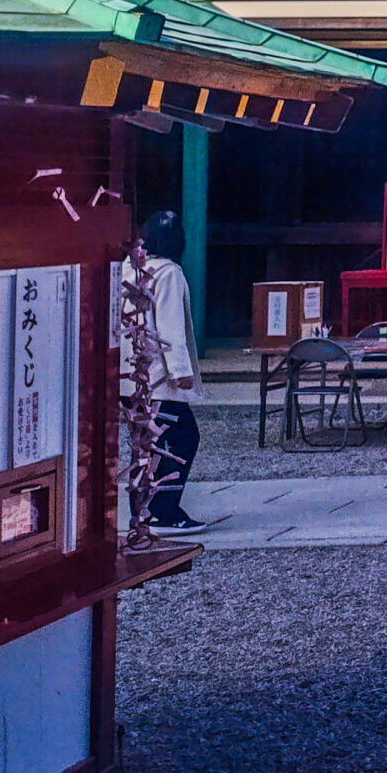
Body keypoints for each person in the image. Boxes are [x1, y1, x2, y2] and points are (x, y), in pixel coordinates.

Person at [127, 211, 207, 532]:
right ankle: (164, 510)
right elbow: (170, 326)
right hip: (158, 376)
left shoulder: (130, 268)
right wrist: (180, 370)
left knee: (144, 443)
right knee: (181, 439)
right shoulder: (168, 273)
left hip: (131, 374)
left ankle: (141, 509)